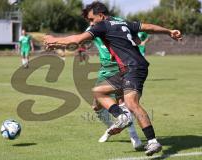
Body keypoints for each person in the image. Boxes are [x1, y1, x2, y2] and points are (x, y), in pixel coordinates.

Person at [44, 1, 182, 156]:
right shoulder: (122, 21)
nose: (91, 23)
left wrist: (53, 39)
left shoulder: (102, 25)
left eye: (91, 19)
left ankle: (152, 141)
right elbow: (148, 27)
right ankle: (122, 117)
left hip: (134, 67)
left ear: (101, 15)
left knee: (131, 102)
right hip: (125, 69)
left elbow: (77, 39)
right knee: (98, 91)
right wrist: (169, 31)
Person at [87, 17, 143, 150]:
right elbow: (80, 40)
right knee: (96, 106)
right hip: (104, 71)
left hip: (120, 68)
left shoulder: (114, 28)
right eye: (89, 21)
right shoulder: (93, 31)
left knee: (123, 105)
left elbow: (138, 40)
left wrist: (130, 42)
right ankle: (111, 127)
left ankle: (135, 138)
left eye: (92, 20)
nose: (91, 23)